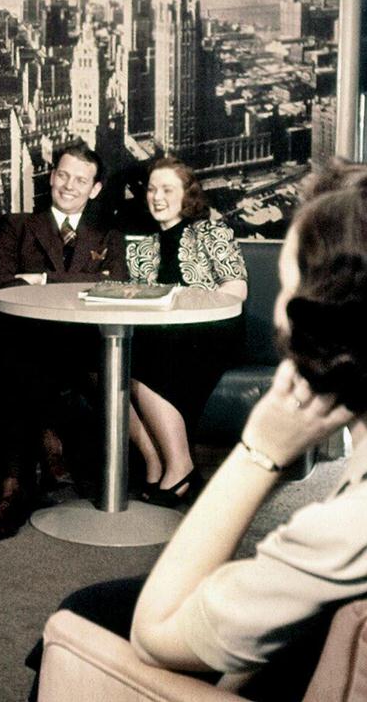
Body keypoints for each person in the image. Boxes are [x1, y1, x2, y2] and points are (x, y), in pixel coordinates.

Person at [30, 161, 367, 701]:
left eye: (290, 292)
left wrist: (259, 452)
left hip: (329, 667)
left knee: (77, 616)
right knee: (100, 600)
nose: (279, 316)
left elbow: (157, 634)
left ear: (333, 321)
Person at [0, 143, 127, 542]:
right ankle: (12, 493)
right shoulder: (17, 226)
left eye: (81, 180)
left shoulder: (108, 234)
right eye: (63, 175)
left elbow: (114, 286)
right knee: (23, 366)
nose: (69, 186)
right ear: (51, 176)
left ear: (94, 189)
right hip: (22, 342)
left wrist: (42, 280)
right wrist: (80, 285)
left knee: (43, 371)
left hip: (81, 346)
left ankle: (51, 454)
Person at [124, 158, 248, 507]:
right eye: (151, 190)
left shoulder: (211, 230)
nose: (157, 197)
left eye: (167, 190)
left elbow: (236, 289)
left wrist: (190, 310)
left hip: (211, 330)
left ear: (186, 195)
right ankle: (159, 462)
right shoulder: (141, 246)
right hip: (161, 333)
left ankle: (180, 466)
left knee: (147, 352)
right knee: (116, 360)